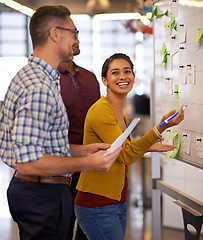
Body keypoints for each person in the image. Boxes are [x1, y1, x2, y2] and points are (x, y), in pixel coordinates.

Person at [0, 6, 122, 240]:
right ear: (55, 34)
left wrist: (81, 151)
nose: (77, 39)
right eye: (74, 33)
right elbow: (28, 162)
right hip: (41, 194)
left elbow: (41, 146)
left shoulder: (38, 77)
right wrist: (88, 163)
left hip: (41, 191)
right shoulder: (38, 87)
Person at [74, 53, 185, 240]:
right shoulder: (102, 111)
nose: (123, 76)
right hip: (98, 204)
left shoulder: (120, 114)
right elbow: (125, 155)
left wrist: (148, 146)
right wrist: (161, 127)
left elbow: (117, 148)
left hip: (115, 200)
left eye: (127, 71)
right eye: (115, 73)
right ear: (105, 80)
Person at [58, 43, 100, 240]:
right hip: (61, 175)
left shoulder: (90, 78)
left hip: (92, 173)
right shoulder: (48, 79)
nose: (77, 40)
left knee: (87, 232)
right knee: (62, 231)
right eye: (73, 34)